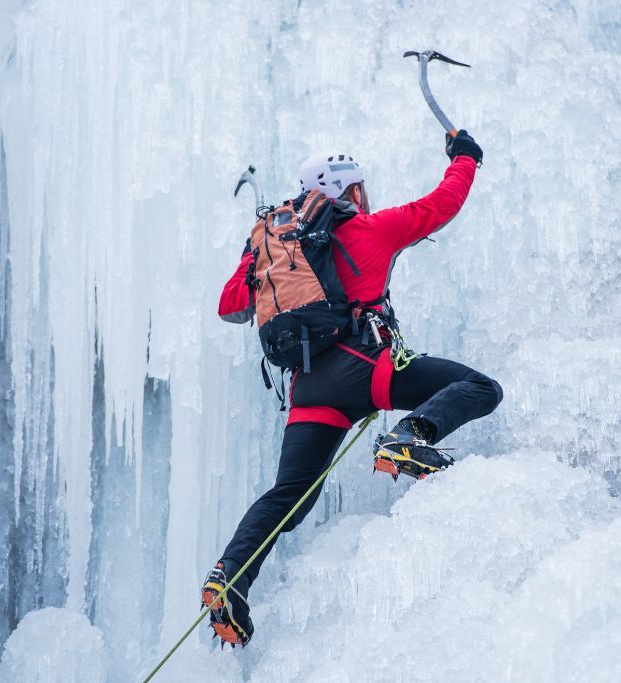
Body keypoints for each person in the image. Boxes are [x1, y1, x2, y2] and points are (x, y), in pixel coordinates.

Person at [201, 131, 503, 647]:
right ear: (346, 192)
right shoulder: (370, 230)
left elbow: (231, 306)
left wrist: (256, 261)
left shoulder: (274, 250)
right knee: (481, 387)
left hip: (311, 388)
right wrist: (465, 159)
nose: (365, 197)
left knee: (290, 498)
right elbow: (441, 204)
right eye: (359, 189)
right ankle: (409, 435)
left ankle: (228, 577)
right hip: (366, 367)